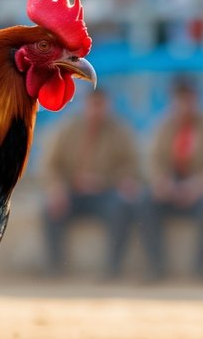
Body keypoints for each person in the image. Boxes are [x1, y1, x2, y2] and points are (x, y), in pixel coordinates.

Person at [139, 78, 203, 280]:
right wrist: (161, 181)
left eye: (188, 100)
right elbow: (152, 159)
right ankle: (155, 267)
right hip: (172, 189)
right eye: (179, 101)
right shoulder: (163, 125)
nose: (184, 106)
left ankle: (201, 268)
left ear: (196, 99)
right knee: (145, 201)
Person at [40, 89, 142, 279]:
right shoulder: (67, 128)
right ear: (85, 104)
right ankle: (55, 267)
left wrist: (108, 181)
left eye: (101, 105)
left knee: (121, 208)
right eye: (93, 104)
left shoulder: (120, 130)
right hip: (73, 192)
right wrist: (57, 187)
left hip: (105, 193)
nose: (97, 110)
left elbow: (132, 166)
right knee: (50, 208)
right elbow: (51, 165)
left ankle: (113, 268)